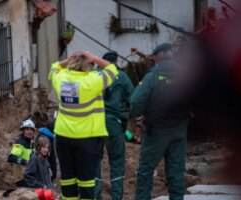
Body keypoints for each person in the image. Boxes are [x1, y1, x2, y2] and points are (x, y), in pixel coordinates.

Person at [49, 51, 119, 199]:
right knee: (86, 180)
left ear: (71, 65)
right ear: (88, 66)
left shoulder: (61, 79)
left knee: (67, 178)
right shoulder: (93, 81)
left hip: (63, 136)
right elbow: (112, 70)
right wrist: (94, 57)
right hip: (87, 138)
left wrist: (66, 60)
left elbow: (54, 68)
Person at [130, 43, 190, 200]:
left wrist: (138, 117)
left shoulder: (153, 75)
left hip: (156, 131)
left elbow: (136, 101)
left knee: (146, 170)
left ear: (157, 57)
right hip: (179, 130)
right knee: (176, 172)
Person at [94, 51, 134, 200]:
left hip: (95, 123)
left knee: (94, 160)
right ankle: (117, 197)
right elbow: (133, 100)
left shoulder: (95, 75)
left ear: (102, 61)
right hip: (115, 124)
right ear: (116, 61)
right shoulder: (123, 77)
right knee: (117, 161)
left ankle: (95, 195)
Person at [7, 118, 36, 183]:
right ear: (23, 131)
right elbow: (11, 157)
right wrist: (25, 162)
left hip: (31, 177)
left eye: (31, 129)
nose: (29, 131)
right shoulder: (19, 143)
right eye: (27, 129)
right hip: (22, 179)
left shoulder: (32, 144)